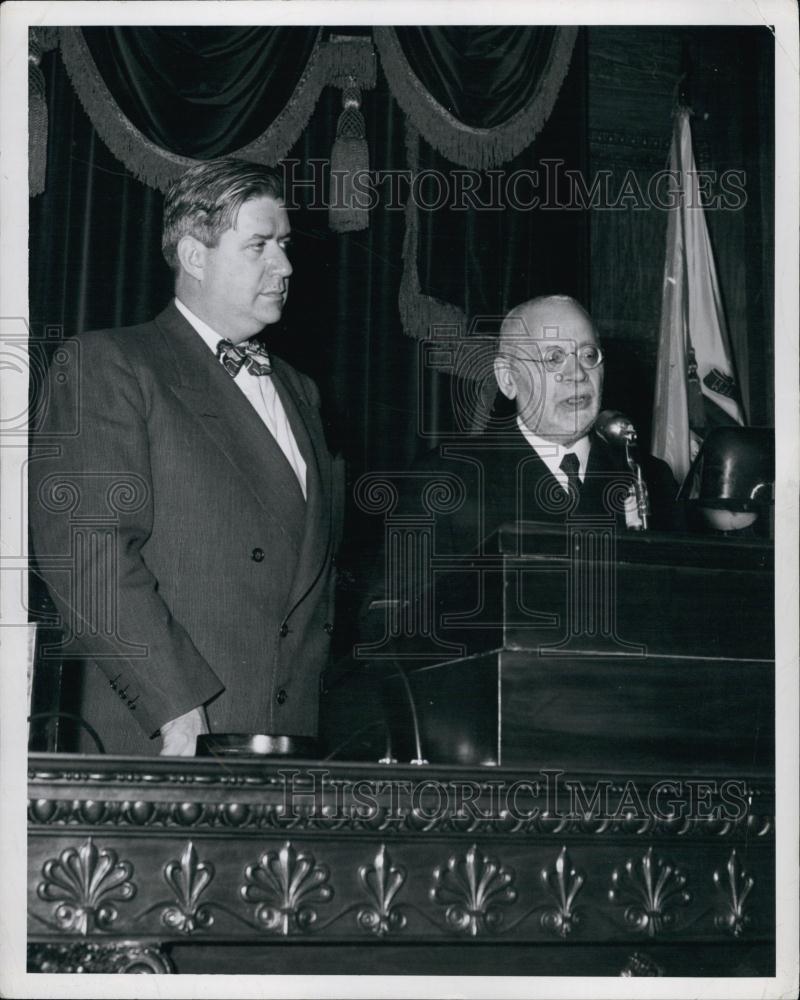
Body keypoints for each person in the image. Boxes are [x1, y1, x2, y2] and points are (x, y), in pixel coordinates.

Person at [29, 158, 343, 756]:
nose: (284, 266)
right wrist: (175, 705)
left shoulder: (301, 391)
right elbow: (88, 557)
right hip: (171, 737)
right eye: (259, 246)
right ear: (196, 256)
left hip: (288, 743)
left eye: (284, 245)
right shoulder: (111, 364)